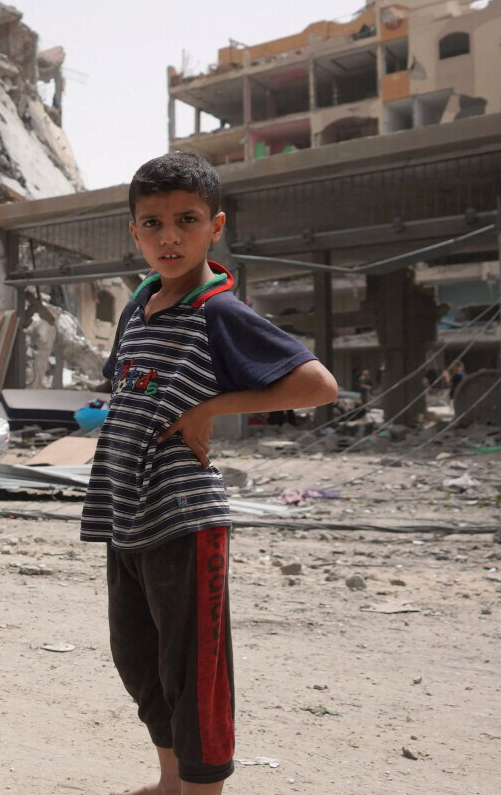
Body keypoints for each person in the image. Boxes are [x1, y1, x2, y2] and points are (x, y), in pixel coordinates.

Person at [91, 151, 338, 794]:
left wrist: (213, 405)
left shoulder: (218, 310)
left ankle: (204, 792)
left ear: (216, 226)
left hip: (184, 517)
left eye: (187, 220)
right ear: (134, 232)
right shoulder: (140, 302)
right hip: (128, 507)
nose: (169, 236)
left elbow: (318, 385)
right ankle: (171, 781)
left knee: (195, 668)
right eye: (153, 223)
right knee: (140, 658)